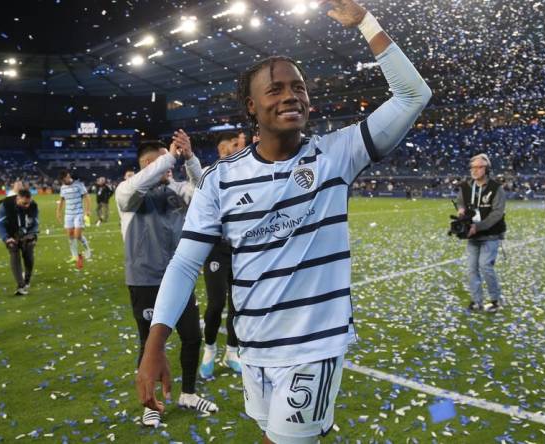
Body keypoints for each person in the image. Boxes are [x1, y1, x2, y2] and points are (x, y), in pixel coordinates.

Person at [136, 1, 432, 442]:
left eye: (299, 87)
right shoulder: (221, 179)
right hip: (253, 345)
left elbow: (413, 94)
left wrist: (365, 23)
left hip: (313, 346)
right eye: (275, 90)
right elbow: (183, 265)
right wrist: (154, 344)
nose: (291, 95)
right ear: (252, 108)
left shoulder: (337, 155)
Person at [116, 131, 218, 427]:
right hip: (144, 280)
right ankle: (150, 404)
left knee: (192, 337)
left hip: (178, 279)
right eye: (162, 161)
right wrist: (170, 157)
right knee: (149, 343)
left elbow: (206, 189)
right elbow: (139, 183)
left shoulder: (178, 190)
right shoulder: (128, 194)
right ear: (148, 165)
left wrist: (190, 158)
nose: (168, 165)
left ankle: (187, 393)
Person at [200, 132, 243, 379]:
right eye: (228, 152)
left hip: (238, 247)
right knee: (216, 303)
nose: (232, 155)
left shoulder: (246, 175)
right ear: (220, 153)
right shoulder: (211, 173)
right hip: (216, 247)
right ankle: (209, 350)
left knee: (237, 304)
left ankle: (231, 352)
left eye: (235, 151)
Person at [456, 154, 507, 313]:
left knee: (485, 266)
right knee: (471, 269)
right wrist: (461, 209)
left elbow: (497, 213)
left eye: (479, 167)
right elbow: (460, 201)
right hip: (472, 235)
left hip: (490, 234)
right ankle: (477, 301)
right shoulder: (465, 187)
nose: (475, 170)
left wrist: (478, 227)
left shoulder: (495, 188)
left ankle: (495, 300)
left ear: (487, 169)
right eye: (473, 167)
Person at [0, 188, 39, 295]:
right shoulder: (6, 205)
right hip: (11, 235)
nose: (27, 206)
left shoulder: (33, 205)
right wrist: (6, 238)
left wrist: (32, 235)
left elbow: (35, 223)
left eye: (28, 203)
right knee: (14, 254)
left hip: (27, 233)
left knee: (28, 254)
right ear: (18, 198)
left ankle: (27, 279)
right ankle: (21, 285)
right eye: (24, 203)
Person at [56, 171, 92, 265]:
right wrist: (58, 212)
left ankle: (88, 250)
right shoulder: (63, 187)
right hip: (68, 214)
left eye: (66, 178)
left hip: (78, 213)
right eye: (63, 180)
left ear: (68, 176)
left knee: (77, 235)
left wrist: (87, 210)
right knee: (70, 235)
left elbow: (86, 197)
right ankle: (74, 256)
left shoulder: (78, 185)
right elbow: (62, 200)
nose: (65, 181)